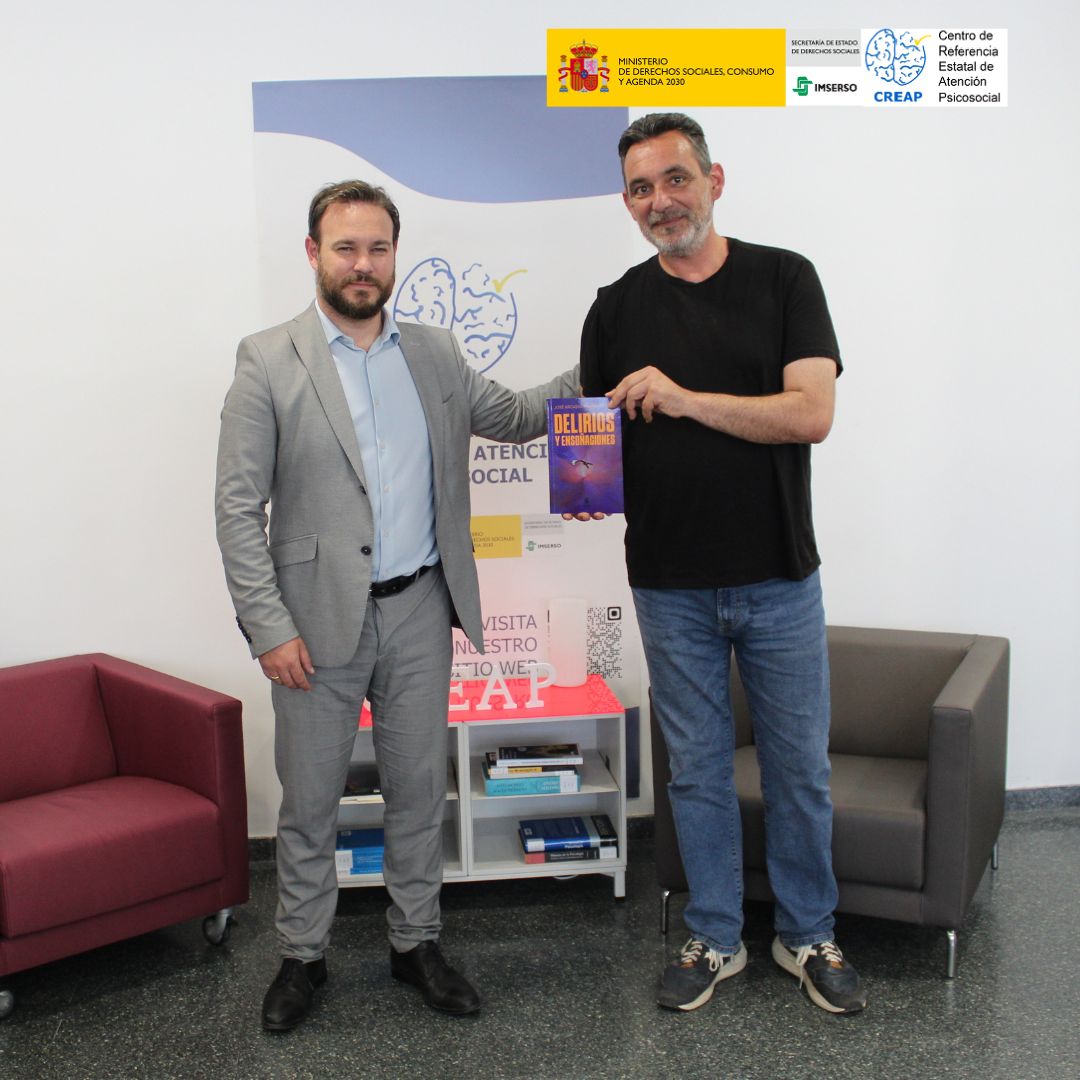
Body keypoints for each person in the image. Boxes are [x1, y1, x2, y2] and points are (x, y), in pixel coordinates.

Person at [215, 180, 578, 1031]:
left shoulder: (436, 354)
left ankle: (416, 943)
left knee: (418, 792)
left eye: (377, 248)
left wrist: (606, 353)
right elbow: (237, 509)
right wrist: (268, 627)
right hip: (312, 625)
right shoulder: (267, 359)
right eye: (345, 247)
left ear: (394, 255)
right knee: (309, 803)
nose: (363, 264)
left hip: (419, 609)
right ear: (314, 253)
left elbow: (519, 416)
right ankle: (303, 954)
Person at [580, 113, 866, 1015]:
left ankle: (808, 932)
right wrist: (580, 476)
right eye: (640, 188)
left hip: (779, 575)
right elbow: (595, 445)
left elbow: (810, 414)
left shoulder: (786, 279)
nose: (660, 201)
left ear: (714, 180)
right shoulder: (614, 308)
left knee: (798, 769)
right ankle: (714, 935)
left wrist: (684, 398)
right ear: (627, 203)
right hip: (668, 583)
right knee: (696, 771)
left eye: (675, 179)